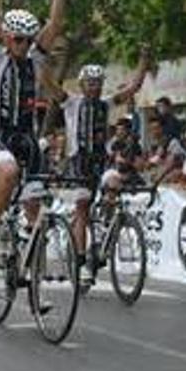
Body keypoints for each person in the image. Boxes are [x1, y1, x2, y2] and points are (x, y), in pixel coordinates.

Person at [0, 0, 69, 256]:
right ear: (6, 38)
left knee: (35, 205)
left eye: (29, 40)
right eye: (18, 39)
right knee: (7, 173)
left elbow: (54, 24)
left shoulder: (35, 60)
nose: (24, 45)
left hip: (27, 139)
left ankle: (31, 270)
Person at [50, 56, 149, 284]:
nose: (95, 86)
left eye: (98, 82)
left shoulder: (107, 103)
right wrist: (41, 59)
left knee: (114, 181)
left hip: (101, 161)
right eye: (90, 82)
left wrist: (143, 61)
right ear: (82, 84)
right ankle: (82, 262)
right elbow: (50, 87)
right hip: (79, 163)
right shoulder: (71, 102)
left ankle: (105, 227)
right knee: (83, 207)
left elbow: (133, 88)